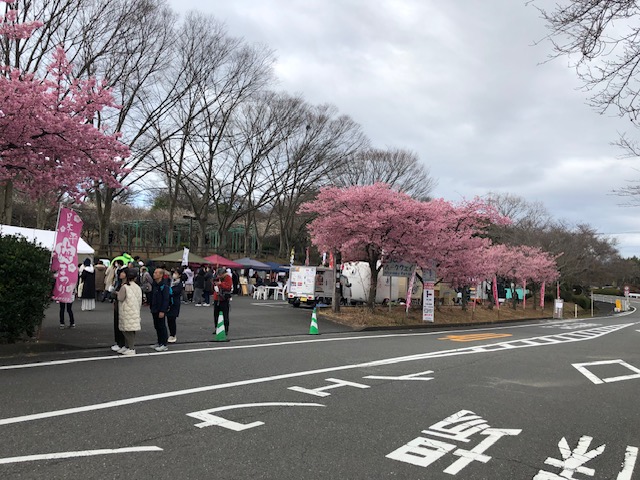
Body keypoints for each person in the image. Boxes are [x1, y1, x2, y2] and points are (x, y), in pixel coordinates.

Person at [116, 268, 143, 355]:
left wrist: (117, 293)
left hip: (126, 310)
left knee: (126, 330)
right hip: (135, 310)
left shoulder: (125, 287)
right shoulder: (138, 287)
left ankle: (131, 348)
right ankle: (128, 347)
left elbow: (120, 298)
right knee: (131, 329)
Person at [150, 267, 170, 351]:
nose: (154, 274)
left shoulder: (164, 286)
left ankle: (164, 343)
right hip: (154, 308)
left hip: (160, 309)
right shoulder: (154, 284)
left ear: (161, 275)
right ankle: (159, 341)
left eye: (156, 273)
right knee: (157, 326)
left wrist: (163, 310)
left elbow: (166, 299)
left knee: (161, 326)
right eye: (154, 273)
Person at [110, 260, 127, 352]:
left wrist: (117, 293)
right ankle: (118, 342)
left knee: (122, 326)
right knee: (117, 324)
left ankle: (122, 343)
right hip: (117, 305)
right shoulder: (119, 283)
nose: (121, 274)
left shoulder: (127, 285)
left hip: (123, 306)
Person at [213, 268, 233, 336]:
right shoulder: (217, 277)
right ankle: (217, 328)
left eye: (220, 274)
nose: (219, 276)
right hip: (217, 297)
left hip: (224, 298)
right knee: (216, 315)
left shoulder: (228, 278)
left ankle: (226, 329)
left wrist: (221, 284)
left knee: (225, 315)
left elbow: (228, 287)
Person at [166, 269, 183, 343]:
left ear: (179, 275)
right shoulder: (170, 281)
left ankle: (173, 334)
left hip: (175, 303)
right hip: (168, 302)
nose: (174, 274)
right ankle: (171, 334)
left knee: (172, 319)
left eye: (176, 273)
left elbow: (175, 292)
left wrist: (169, 291)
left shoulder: (179, 284)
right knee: (169, 319)